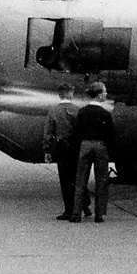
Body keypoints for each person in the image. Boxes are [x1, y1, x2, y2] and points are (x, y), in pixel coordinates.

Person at [70, 82, 115, 223]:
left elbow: (76, 131)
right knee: (101, 181)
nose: (106, 94)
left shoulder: (82, 112)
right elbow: (111, 134)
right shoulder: (105, 113)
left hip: (85, 145)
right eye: (105, 92)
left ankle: (76, 214)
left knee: (80, 181)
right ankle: (99, 214)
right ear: (100, 94)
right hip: (100, 146)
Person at [43, 85, 88, 221]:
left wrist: (47, 150)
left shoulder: (54, 111)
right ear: (71, 94)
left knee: (65, 179)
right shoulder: (77, 110)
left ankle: (69, 210)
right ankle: (84, 205)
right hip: (76, 146)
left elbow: (48, 132)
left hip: (61, 147)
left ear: (59, 95)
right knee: (77, 177)